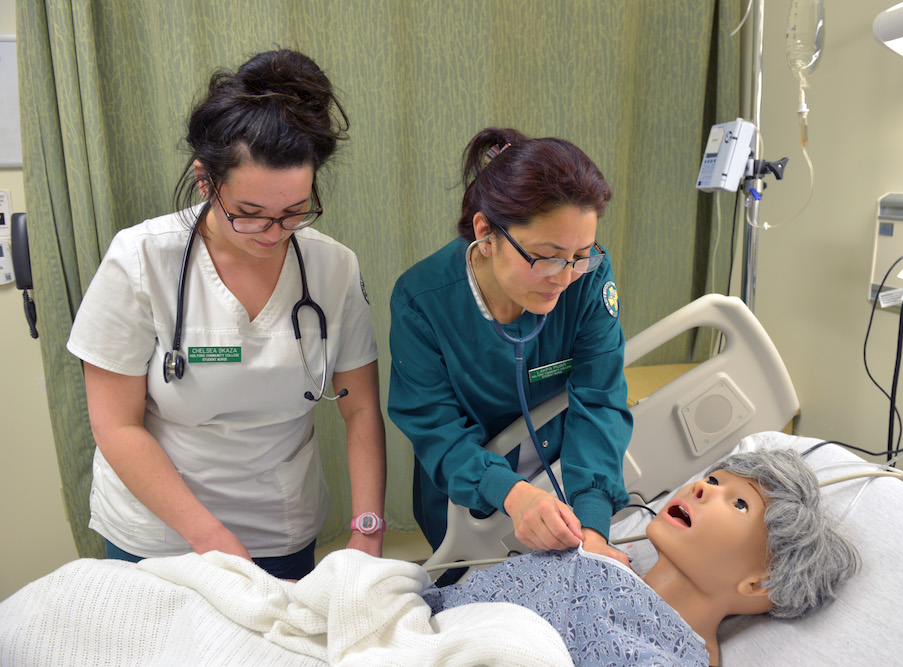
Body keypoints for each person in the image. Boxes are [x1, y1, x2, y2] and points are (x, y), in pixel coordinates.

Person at [66, 49, 387, 580]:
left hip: (280, 528)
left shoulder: (332, 268)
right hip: (158, 533)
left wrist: (367, 528)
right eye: (250, 214)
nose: (273, 233)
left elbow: (359, 409)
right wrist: (208, 537)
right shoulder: (140, 259)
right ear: (205, 181)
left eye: (293, 212)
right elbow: (116, 425)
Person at [388, 127, 633, 568]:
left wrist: (593, 524)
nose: (564, 277)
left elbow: (599, 398)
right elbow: (433, 426)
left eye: (581, 254)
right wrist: (512, 494)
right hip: (468, 500)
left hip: (564, 481)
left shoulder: (589, 277)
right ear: (486, 232)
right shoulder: (422, 300)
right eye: (547, 256)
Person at [422, 447, 861, 667]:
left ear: (760, 583)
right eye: (712, 477)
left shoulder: (670, 656)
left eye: (739, 503)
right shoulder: (594, 558)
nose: (703, 487)